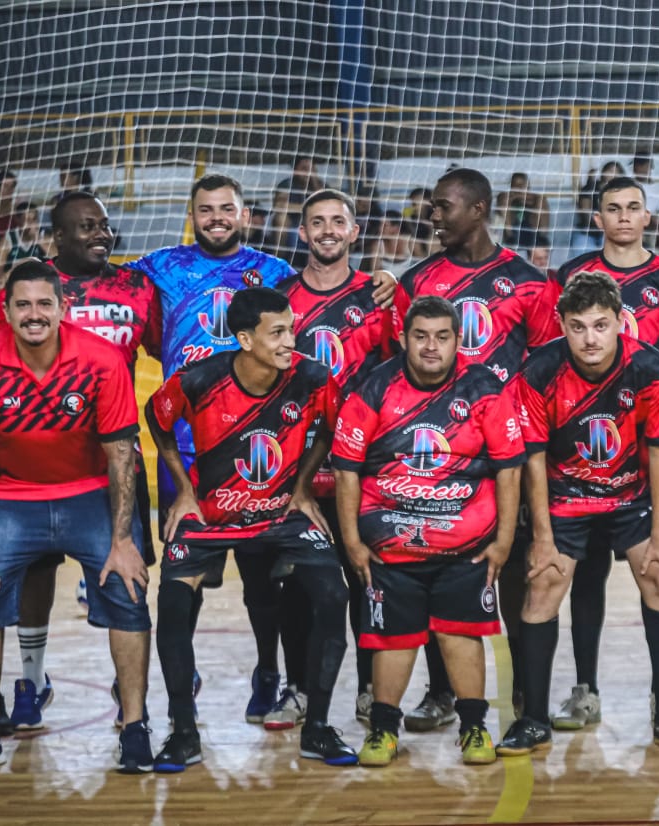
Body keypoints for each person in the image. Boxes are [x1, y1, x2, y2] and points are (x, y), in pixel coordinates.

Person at [131, 173, 394, 729]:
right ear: (191, 216)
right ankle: (191, 685)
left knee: (283, 578)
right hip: (194, 451)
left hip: (281, 452)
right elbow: (102, 284)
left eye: (227, 208)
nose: (217, 218)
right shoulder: (159, 267)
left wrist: (391, 278)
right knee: (192, 584)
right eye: (206, 209)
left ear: (246, 215)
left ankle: (285, 676)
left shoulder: (277, 276)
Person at [0, 261, 152, 775]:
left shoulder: (101, 360)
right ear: (6, 309)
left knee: (127, 589)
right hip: (11, 496)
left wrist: (122, 540)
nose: (33, 314)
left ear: (62, 308)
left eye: (44, 304)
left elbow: (120, 456)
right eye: (22, 305)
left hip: (89, 494)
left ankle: (135, 725)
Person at [146, 286, 357, 770]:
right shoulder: (198, 379)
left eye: (292, 330)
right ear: (244, 339)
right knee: (173, 606)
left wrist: (302, 486)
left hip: (281, 515)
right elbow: (156, 419)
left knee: (333, 597)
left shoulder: (312, 377)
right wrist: (184, 491)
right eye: (277, 333)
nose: (291, 342)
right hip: (211, 515)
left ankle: (318, 727)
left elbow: (330, 427)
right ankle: (183, 733)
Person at [499, 271, 659, 755]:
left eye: (601, 325)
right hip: (565, 497)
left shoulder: (649, 367)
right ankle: (533, 719)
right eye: (578, 326)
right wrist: (542, 537)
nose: (590, 338)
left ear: (620, 323)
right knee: (543, 584)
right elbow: (533, 459)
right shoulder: (539, 371)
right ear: (562, 326)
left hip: (631, 497)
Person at [391, 166, 560, 731]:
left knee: (514, 576)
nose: (433, 215)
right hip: (439, 456)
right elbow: (401, 369)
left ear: (479, 209)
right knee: (437, 573)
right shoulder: (417, 281)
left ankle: (525, 696)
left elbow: (548, 370)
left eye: (444, 206)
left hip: (509, 456)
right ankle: (441, 693)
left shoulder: (529, 281)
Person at [0, 191, 161, 731]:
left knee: (127, 576)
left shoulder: (136, 287)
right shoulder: (33, 291)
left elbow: (169, 350)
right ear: (57, 237)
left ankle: (127, 686)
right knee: (35, 576)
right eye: (87, 226)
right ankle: (31, 679)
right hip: (39, 464)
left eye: (104, 225)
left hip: (115, 464)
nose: (100, 234)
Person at [333, 296, 524, 767]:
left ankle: (474, 728)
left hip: (465, 550)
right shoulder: (374, 387)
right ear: (403, 338)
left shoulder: (484, 388)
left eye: (442, 337)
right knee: (393, 639)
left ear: (458, 340)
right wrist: (352, 541)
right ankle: (384, 731)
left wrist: (503, 541)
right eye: (420, 336)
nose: (431, 346)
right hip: (390, 549)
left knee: (461, 634)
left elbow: (509, 468)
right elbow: (346, 469)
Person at [549, 177, 659, 731]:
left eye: (634, 208)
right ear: (597, 218)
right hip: (583, 458)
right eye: (613, 208)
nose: (624, 217)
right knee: (586, 577)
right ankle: (585, 689)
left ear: (648, 217)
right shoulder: (571, 275)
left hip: (648, 453)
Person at [280, 189, 394, 724]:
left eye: (337, 221)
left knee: (367, 580)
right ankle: (298, 689)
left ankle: (370, 690)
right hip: (296, 468)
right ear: (302, 232)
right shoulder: (281, 298)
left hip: (363, 468)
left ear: (353, 231)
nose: (327, 230)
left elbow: (397, 376)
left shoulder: (379, 297)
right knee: (298, 587)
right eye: (317, 222)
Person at [570, 161, 626, 256]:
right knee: (583, 255)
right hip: (586, 232)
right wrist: (590, 182)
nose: (612, 175)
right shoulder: (590, 188)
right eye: (610, 171)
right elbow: (585, 213)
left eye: (616, 172)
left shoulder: (623, 193)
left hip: (609, 233)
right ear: (603, 172)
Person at [495, 172, 551, 253]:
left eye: (521, 185)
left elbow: (539, 198)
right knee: (504, 201)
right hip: (512, 234)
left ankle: (541, 237)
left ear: (528, 186)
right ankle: (511, 238)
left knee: (541, 201)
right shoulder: (504, 197)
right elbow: (501, 199)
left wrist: (523, 197)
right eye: (515, 185)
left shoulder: (536, 199)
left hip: (532, 232)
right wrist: (517, 197)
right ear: (511, 186)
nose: (518, 188)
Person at [631, 152, 659, 245]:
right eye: (638, 165)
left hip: (654, 227)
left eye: (644, 165)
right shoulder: (627, 187)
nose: (640, 168)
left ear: (651, 166)